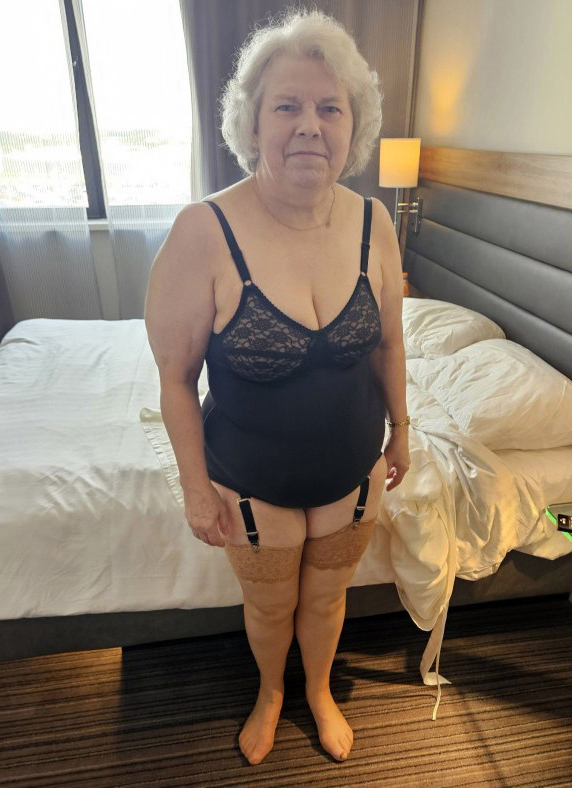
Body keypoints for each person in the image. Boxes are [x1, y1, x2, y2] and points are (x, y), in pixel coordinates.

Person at [144, 9, 410, 766]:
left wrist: (404, 429)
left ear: (353, 125)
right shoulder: (203, 231)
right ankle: (270, 692)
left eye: (330, 108)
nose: (309, 126)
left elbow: (390, 341)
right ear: (253, 121)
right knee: (269, 607)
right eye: (287, 106)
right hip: (249, 481)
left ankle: (318, 690)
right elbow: (174, 378)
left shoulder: (376, 222)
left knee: (327, 601)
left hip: (351, 473)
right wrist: (195, 488)